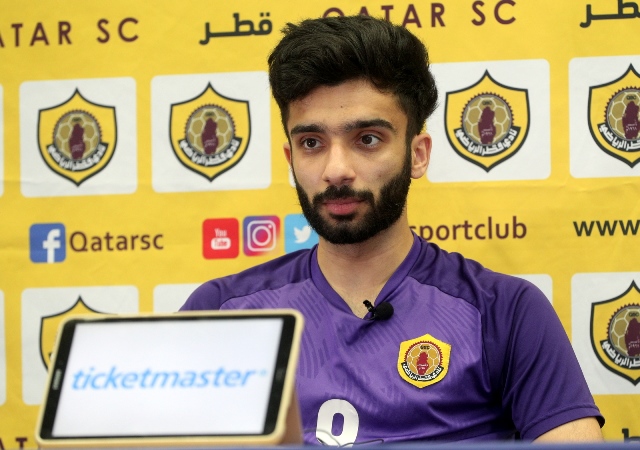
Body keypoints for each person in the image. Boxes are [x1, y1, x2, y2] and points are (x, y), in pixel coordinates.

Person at [181, 15, 604, 444]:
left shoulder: (506, 311)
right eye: (311, 143)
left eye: (367, 139)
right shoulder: (221, 312)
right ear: (291, 159)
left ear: (417, 154)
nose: (336, 170)